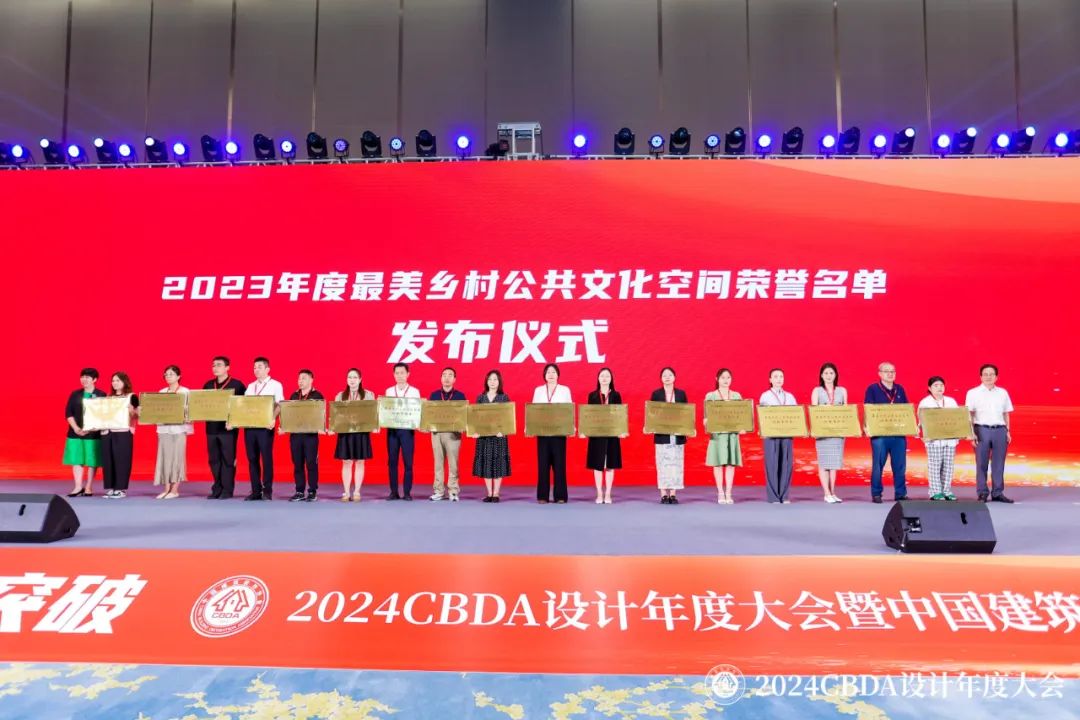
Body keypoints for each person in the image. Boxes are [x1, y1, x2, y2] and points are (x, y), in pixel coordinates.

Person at [966, 364, 1014, 503]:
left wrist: (1008, 431)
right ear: (980, 377)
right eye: (985, 374)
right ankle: (982, 492)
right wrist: (971, 433)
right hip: (981, 430)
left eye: (991, 374)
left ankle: (998, 492)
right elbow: (969, 414)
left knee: (999, 463)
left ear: (996, 377)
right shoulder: (973, 393)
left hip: (1000, 430)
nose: (988, 377)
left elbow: (1006, 414)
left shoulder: (1003, 393)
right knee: (981, 463)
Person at [864, 361, 911, 503]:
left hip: (898, 433)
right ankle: (876, 493)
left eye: (892, 371)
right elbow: (868, 410)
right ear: (880, 373)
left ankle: (900, 493)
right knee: (878, 465)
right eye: (886, 371)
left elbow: (906, 411)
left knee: (900, 465)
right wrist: (867, 427)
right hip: (880, 434)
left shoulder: (900, 389)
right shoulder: (872, 389)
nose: (890, 374)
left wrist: (910, 427)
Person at [203, 356, 245, 499]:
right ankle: (217, 488)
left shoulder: (237, 385)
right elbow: (201, 405)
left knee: (228, 459)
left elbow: (243, 406)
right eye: (213, 365)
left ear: (227, 367)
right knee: (214, 460)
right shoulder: (208, 385)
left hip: (228, 429)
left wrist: (234, 421)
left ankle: (227, 490)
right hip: (211, 428)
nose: (215, 368)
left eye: (219, 365)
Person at [242, 356, 284, 501]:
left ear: (267, 369)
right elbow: (244, 405)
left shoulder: (275, 385)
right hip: (250, 427)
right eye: (254, 367)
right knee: (252, 459)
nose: (256, 370)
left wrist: (273, 419)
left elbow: (279, 404)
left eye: (259, 367)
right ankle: (255, 490)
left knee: (266, 458)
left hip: (265, 427)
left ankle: (267, 490)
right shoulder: (250, 386)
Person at [331, 368, 375, 502]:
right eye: (349, 377)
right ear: (346, 380)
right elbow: (335, 415)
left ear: (360, 379)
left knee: (360, 462)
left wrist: (374, 426)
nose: (352, 380)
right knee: (346, 462)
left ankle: (356, 491)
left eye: (355, 377)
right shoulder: (340, 396)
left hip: (361, 432)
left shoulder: (368, 395)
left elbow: (373, 414)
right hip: (345, 433)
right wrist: (333, 428)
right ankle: (346, 492)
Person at [918, 376, 964, 501]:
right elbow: (921, 422)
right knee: (935, 466)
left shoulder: (951, 401)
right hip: (933, 440)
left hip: (950, 440)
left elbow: (958, 419)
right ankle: (935, 492)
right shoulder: (925, 402)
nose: (939, 388)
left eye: (941, 385)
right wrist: (923, 436)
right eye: (936, 385)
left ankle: (947, 491)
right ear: (929, 388)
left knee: (948, 466)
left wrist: (961, 431)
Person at [532, 363, 572, 504]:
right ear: (544, 375)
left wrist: (570, 428)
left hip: (559, 433)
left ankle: (560, 496)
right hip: (542, 433)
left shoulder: (565, 390)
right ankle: (542, 496)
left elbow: (569, 410)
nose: (551, 374)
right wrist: (530, 428)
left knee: (559, 465)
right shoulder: (538, 390)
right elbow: (533, 411)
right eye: (548, 372)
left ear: (558, 375)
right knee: (543, 465)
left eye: (553, 372)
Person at [584, 367, 625, 504]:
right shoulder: (592, 395)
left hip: (612, 434)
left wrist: (621, 430)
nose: (604, 378)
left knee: (610, 465)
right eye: (602, 376)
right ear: (598, 378)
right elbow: (588, 415)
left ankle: (608, 493)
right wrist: (585, 430)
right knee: (597, 465)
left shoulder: (616, 395)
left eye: (607, 376)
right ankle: (599, 493)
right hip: (597, 435)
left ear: (611, 379)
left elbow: (620, 415)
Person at [64, 368, 106, 497]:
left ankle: (88, 487)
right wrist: (76, 428)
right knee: (77, 459)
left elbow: (104, 415)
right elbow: (68, 413)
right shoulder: (75, 394)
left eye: (87, 377)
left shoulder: (101, 395)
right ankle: (78, 487)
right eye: (82, 377)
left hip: (93, 433)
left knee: (91, 461)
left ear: (95, 379)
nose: (84, 379)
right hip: (75, 432)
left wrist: (94, 427)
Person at [810, 362, 847, 503]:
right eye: (826, 373)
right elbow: (814, 412)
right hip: (823, 432)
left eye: (831, 373)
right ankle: (826, 493)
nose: (829, 376)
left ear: (835, 375)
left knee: (834, 464)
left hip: (837, 432)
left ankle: (833, 492)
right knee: (824, 463)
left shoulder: (842, 391)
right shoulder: (817, 391)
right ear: (821, 375)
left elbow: (846, 411)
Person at [284, 369, 324, 502]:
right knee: (297, 464)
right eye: (299, 378)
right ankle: (299, 491)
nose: (300, 381)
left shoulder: (317, 395)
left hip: (310, 436)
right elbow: (289, 415)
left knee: (311, 463)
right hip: (296, 436)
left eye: (304, 378)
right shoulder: (294, 395)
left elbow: (320, 415)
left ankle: (312, 491)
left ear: (311, 380)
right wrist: (284, 427)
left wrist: (321, 427)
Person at [471, 370, 511, 503]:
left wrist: (504, 431)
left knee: (498, 463)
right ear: (486, 382)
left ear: (499, 382)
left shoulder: (504, 398)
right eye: (490, 379)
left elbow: (508, 418)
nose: (492, 382)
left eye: (495, 379)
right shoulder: (480, 398)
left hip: (499, 437)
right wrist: (474, 431)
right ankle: (489, 493)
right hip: (484, 437)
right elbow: (475, 418)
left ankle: (496, 493)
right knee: (486, 463)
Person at [154, 365, 193, 499]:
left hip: (179, 429)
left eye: (171, 374)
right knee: (164, 458)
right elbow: (157, 410)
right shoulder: (162, 392)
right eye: (166, 374)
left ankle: (175, 489)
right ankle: (166, 489)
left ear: (178, 376)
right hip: (164, 429)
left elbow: (191, 410)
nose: (168, 376)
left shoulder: (185, 392)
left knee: (177, 459)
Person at [651, 367, 688, 504]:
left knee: (676, 464)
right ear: (661, 378)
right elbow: (651, 414)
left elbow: (686, 413)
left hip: (677, 435)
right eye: (664, 375)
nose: (667, 377)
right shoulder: (656, 394)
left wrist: (688, 429)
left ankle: (673, 494)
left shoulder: (681, 394)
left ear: (674, 377)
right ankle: (663, 494)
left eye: (670, 375)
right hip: (662, 435)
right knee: (662, 464)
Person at [759, 368, 797, 504]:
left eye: (781, 376)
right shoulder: (765, 396)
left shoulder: (790, 397)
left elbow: (796, 416)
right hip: (771, 434)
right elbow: (762, 416)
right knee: (772, 463)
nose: (779, 379)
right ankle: (774, 496)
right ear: (770, 380)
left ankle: (784, 495)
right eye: (775, 376)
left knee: (786, 463)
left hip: (787, 434)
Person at [704, 368, 742, 504]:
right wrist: (707, 423)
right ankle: (720, 492)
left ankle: (729, 493)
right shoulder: (711, 396)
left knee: (731, 464)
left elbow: (742, 416)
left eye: (728, 377)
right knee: (718, 464)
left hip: (732, 435)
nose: (726, 380)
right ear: (717, 379)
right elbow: (706, 417)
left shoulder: (736, 396)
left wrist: (743, 427)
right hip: (717, 435)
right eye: (723, 378)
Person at [429, 367, 467, 502]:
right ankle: (438, 491)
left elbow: (464, 415)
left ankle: (453, 491)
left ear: (454, 379)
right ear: (441, 378)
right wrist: (426, 426)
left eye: (450, 375)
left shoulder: (460, 396)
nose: (447, 378)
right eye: (444, 375)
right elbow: (429, 414)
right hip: (436, 433)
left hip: (453, 434)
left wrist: (463, 426)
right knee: (438, 464)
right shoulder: (434, 395)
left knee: (453, 464)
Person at [385, 362, 421, 500]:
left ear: (408, 374)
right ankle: (393, 492)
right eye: (397, 373)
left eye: (402, 373)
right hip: (392, 430)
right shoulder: (389, 391)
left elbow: (418, 411)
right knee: (392, 462)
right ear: (394, 375)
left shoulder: (414, 391)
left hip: (407, 430)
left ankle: (407, 492)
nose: (400, 376)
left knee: (408, 462)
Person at [101, 372, 140, 499]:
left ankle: (120, 489)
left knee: (122, 460)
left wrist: (132, 411)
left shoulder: (132, 397)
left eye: (118, 380)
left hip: (123, 432)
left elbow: (138, 415)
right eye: (113, 381)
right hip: (107, 431)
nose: (115, 383)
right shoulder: (108, 397)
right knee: (109, 460)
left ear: (124, 382)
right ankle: (111, 487)